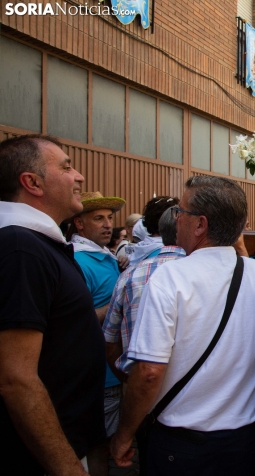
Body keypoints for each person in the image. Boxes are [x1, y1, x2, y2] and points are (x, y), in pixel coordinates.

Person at [110, 176, 255, 475]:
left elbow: (148, 372)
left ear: (200, 225)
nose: (176, 219)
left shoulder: (170, 278)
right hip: (243, 442)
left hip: (180, 446)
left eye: (180, 212)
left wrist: (123, 434)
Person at [0, 134, 105, 475]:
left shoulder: (37, 245)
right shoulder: (21, 247)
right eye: (66, 166)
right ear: (32, 182)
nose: (79, 177)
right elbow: (16, 377)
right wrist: (68, 467)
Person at [69, 191, 127, 476]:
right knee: (94, 444)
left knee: (100, 446)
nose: (107, 224)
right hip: (96, 374)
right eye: (98, 218)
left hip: (109, 370)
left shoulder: (105, 257)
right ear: (79, 224)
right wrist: (118, 303)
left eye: (110, 218)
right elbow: (75, 321)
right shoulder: (79, 261)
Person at [103, 207, 185, 382]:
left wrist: (129, 383)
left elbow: (110, 342)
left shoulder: (130, 274)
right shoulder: (206, 273)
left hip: (138, 387)